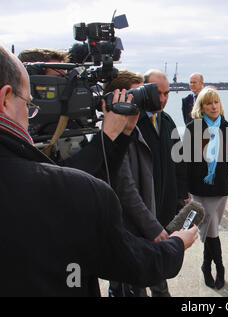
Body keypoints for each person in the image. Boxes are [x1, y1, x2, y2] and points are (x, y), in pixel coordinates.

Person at [0, 45, 198, 296]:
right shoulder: (53, 187)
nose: (33, 114)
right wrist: (175, 245)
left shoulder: (163, 124)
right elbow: (128, 259)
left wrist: (120, 134)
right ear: (6, 99)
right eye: (33, 100)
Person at [18, 47, 135, 181]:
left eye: (68, 79)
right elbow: (59, 182)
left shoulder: (71, 124)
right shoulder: (21, 136)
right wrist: (107, 135)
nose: (67, 86)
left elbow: (101, 176)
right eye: (58, 80)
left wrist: (124, 134)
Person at [103, 70, 169, 297]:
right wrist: (153, 227)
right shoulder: (111, 137)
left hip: (143, 227)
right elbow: (125, 188)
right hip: (131, 234)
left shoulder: (131, 127)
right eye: (136, 94)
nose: (143, 100)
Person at [183, 86, 228, 289]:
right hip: (199, 190)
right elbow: (185, 162)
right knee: (211, 230)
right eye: (209, 102)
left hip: (219, 189)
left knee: (211, 228)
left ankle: (205, 264)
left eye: (216, 101)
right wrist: (184, 191)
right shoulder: (194, 128)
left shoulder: (226, 127)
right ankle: (219, 267)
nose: (213, 106)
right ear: (201, 107)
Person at [138, 69, 190, 297]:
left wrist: (182, 196)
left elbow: (178, 165)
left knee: (159, 274)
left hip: (165, 214)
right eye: (158, 93)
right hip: (138, 216)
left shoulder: (167, 122)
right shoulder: (132, 122)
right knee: (134, 278)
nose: (163, 99)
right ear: (144, 90)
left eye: (167, 93)